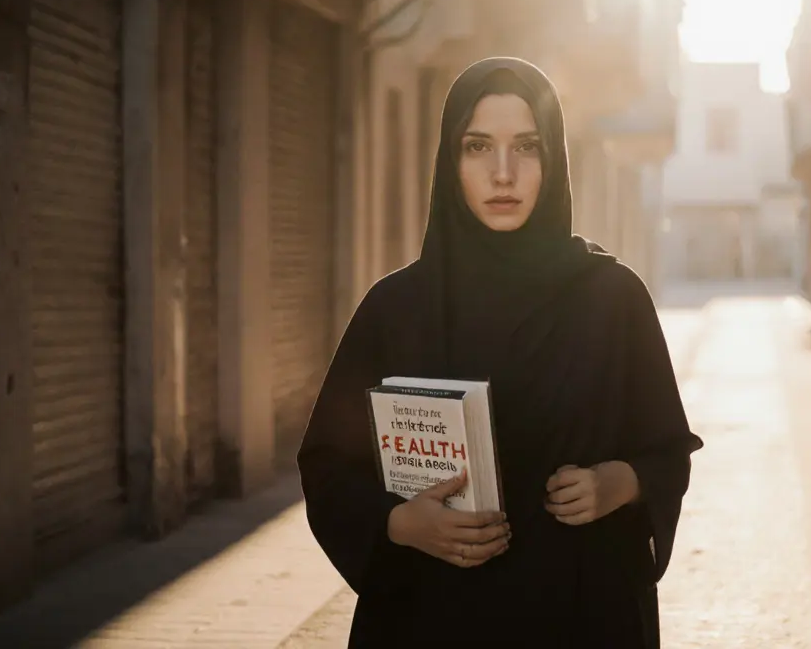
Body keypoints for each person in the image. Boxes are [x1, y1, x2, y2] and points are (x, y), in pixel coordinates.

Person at [296, 57, 703, 648]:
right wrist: (401, 523)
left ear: (554, 159)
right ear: (449, 161)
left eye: (528, 146)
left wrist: (619, 482)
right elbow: (329, 467)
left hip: (581, 614)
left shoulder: (614, 301)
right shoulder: (396, 308)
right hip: (431, 618)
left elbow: (668, 452)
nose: (504, 173)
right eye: (478, 146)